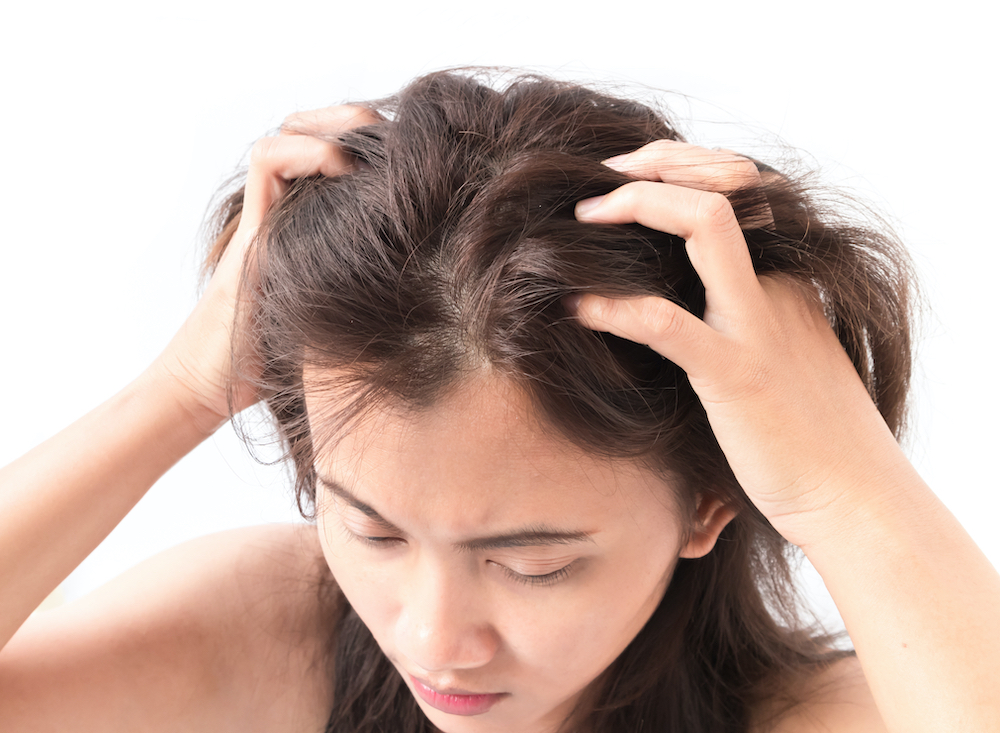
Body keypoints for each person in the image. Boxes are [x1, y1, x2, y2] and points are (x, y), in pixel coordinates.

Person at [0, 69, 997, 733]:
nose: (433, 639)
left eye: (531, 562)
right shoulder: (278, 635)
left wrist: (845, 485)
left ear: (709, 501)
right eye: (375, 534)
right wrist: (176, 394)